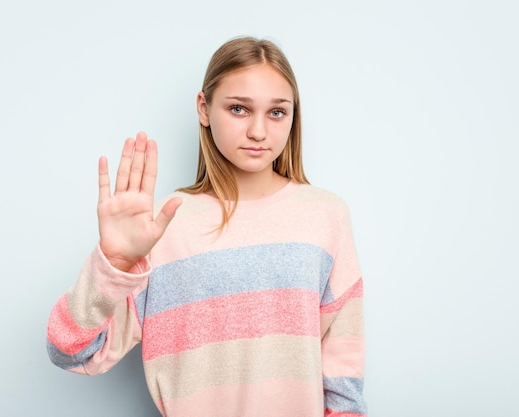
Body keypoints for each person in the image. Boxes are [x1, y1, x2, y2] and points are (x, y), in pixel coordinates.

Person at [46, 36, 367, 417]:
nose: (259, 132)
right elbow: (71, 351)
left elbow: (343, 372)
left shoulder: (325, 215)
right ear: (204, 108)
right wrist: (113, 264)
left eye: (277, 112)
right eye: (238, 109)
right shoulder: (161, 224)